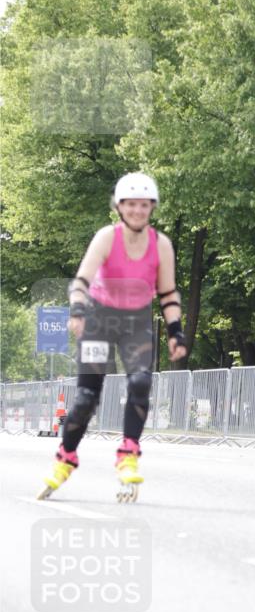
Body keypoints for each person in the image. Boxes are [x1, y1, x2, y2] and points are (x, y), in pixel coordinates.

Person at [37, 173, 187, 502]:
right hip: (99, 320)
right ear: (119, 207)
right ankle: (65, 457)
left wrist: (177, 333)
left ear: (152, 207)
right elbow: (81, 280)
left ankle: (128, 453)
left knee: (140, 381)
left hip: (136, 321)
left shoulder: (161, 244)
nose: (137, 211)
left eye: (144, 205)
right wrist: (77, 312)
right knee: (87, 397)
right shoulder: (107, 237)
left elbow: (168, 293)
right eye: (130, 204)